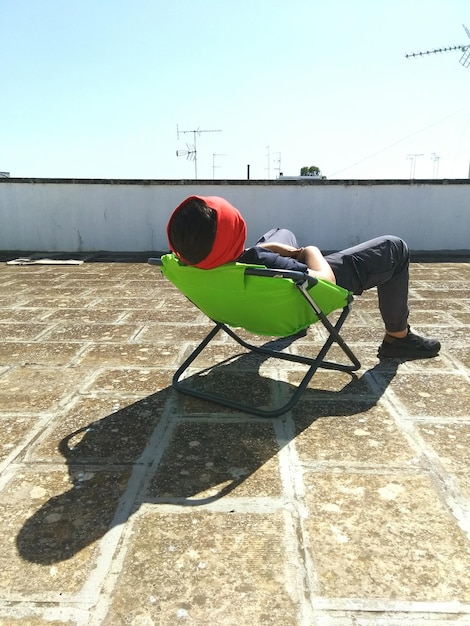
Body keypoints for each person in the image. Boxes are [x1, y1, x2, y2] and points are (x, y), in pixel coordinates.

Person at [167, 195, 440, 360]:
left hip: (250, 304)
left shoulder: (181, 265)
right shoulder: (263, 263)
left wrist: (266, 248)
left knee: (280, 232)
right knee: (395, 246)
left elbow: (239, 255)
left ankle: (286, 275)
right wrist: (308, 252)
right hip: (306, 292)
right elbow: (325, 280)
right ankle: (398, 337)